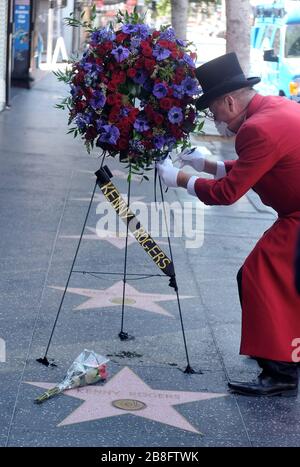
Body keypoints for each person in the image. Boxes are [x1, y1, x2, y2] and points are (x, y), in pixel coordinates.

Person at [157, 52, 300, 397]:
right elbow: (258, 166)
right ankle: (277, 349)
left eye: (213, 109)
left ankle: (281, 371)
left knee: (260, 275)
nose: (214, 117)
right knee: (273, 280)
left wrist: (179, 178)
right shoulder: (275, 109)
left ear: (231, 101)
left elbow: (228, 193)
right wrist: (204, 164)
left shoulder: (256, 129)